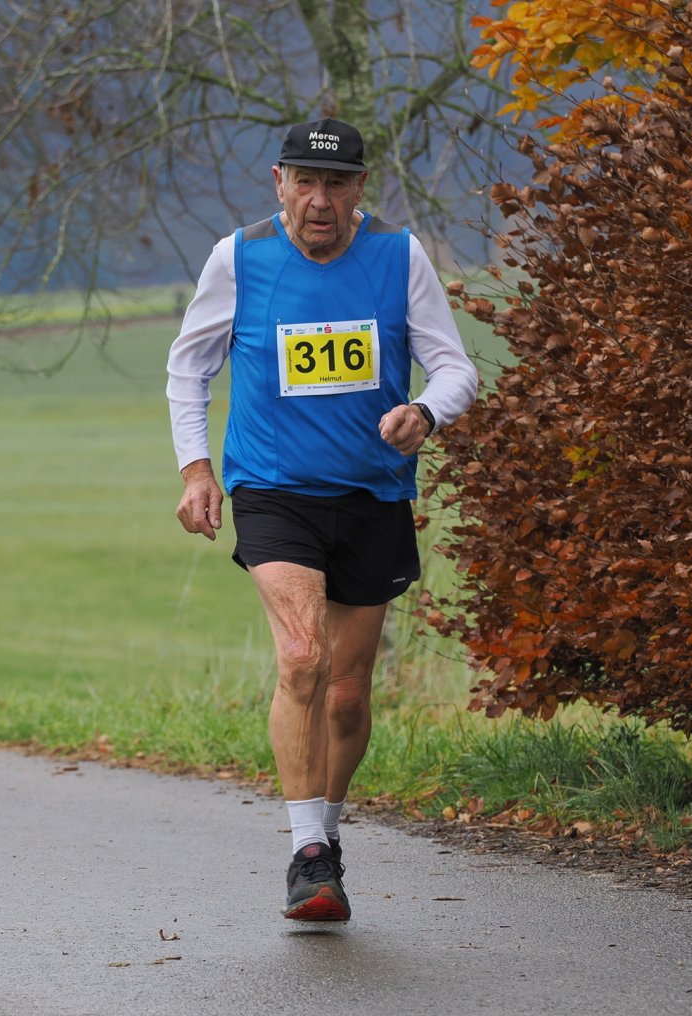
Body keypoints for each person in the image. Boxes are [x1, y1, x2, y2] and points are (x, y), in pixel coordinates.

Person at [165, 117, 478, 921]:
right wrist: (197, 469)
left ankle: (327, 834)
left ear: (359, 188)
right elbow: (189, 366)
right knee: (303, 657)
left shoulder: (398, 256)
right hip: (274, 490)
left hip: (373, 493)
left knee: (345, 692)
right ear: (280, 183)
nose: (319, 200)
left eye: (336, 184)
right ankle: (307, 854)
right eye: (304, 181)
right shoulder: (239, 258)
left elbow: (456, 368)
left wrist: (425, 412)